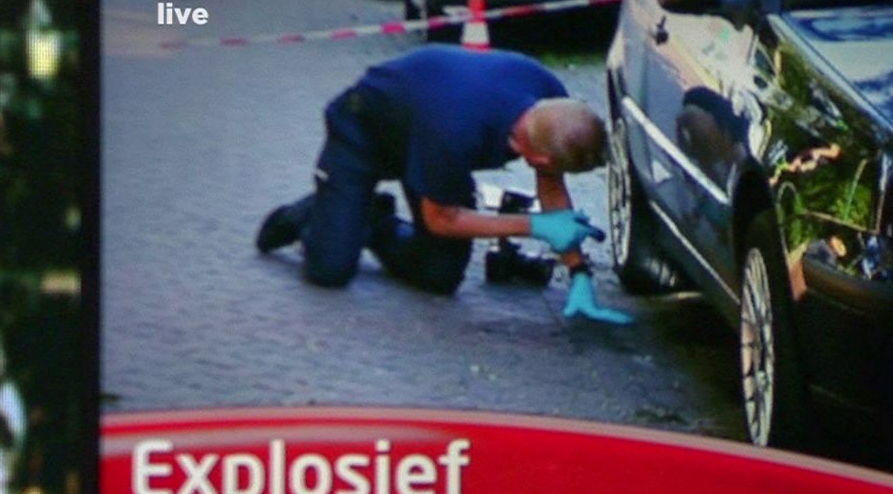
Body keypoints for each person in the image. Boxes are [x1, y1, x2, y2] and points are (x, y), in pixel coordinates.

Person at [256, 44, 626, 322]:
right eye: (550, 168)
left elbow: (552, 189)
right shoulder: (455, 130)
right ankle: (315, 213)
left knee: (439, 276)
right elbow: (442, 219)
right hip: (364, 132)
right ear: (539, 159)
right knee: (330, 271)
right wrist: (534, 226)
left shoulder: (552, 108)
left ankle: (372, 219)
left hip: (425, 141)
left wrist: (578, 271)